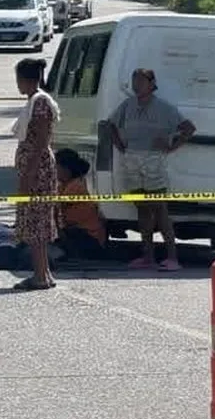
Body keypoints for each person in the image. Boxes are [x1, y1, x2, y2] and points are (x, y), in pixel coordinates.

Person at [98, 68, 196, 271]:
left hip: (153, 159)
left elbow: (188, 128)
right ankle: (148, 256)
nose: (136, 85)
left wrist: (172, 146)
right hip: (132, 158)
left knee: (160, 208)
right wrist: (122, 147)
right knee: (142, 208)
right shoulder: (128, 105)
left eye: (141, 81)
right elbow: (109, 125)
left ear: (152, 84)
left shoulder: (164, 108)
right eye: (134, 81)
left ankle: (172, 257)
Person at [11, 57, 61, 290]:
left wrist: (29, 174)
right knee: (34, 221)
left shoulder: (40, 102)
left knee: (36, 222)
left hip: (37, 169)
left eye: (19, 79)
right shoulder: (33, 101)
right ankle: (44, 273)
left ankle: (40, 275)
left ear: (24, 79)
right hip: (34, 166)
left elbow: (41, 141)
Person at [54, 148, 107, 260]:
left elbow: (55, 207)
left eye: (56, 167)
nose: (53, 171)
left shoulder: (75, 185)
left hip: (89, 238)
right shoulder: (63, 186)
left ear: (66, 169)